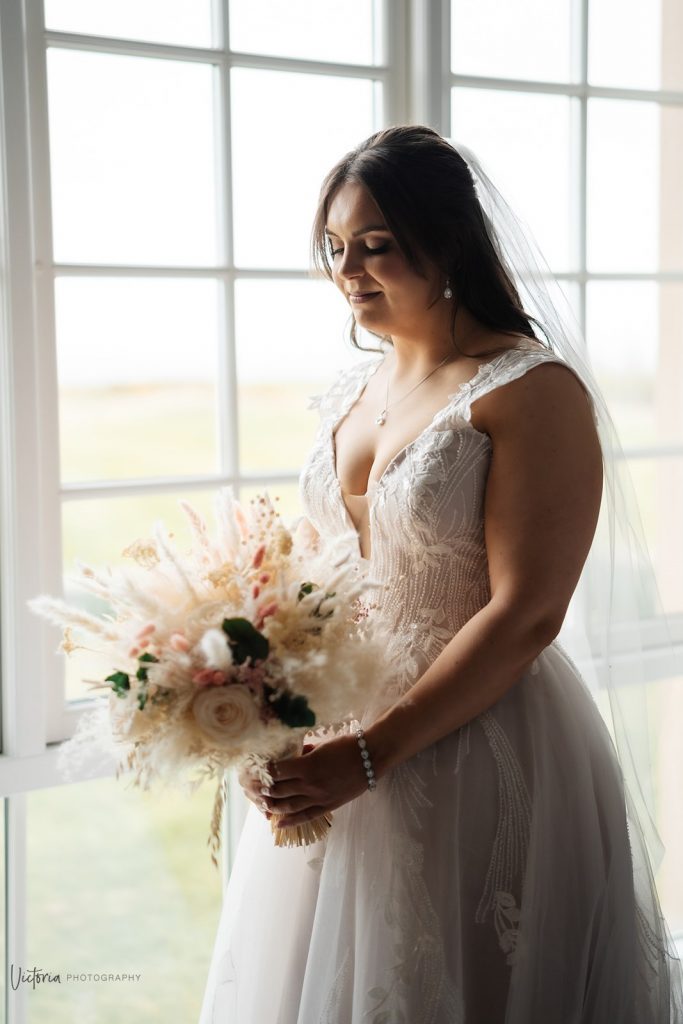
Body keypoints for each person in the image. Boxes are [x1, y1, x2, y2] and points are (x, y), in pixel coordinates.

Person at [199, 125, 683, 1022]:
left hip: (477, 739)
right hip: (336, 735)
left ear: (447, 240)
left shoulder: (529, 390)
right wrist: (260, 710)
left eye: (376, 246)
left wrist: (372, 755)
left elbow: (528, 612)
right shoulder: (352, 389)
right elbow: (322, 574)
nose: (349, 270)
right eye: (335, 248)